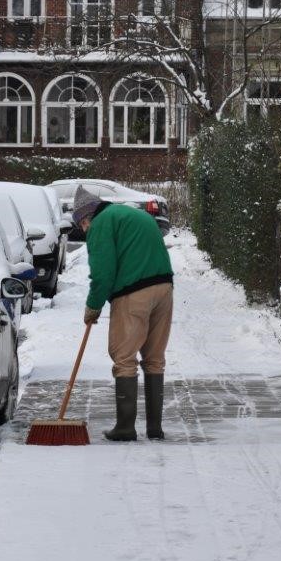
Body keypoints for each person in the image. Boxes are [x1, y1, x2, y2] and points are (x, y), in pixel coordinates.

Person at [72, 184, 173, 442]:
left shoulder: (101, 224)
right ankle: (155, 428)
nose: (84, 232)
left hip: (134, 292)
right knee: (154, 357)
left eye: (82, 226)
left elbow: (103, 273)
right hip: (164, 289)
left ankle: (126, 427)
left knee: (123, 356)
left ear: (86, 218)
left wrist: (93, 307)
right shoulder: (133, 214)